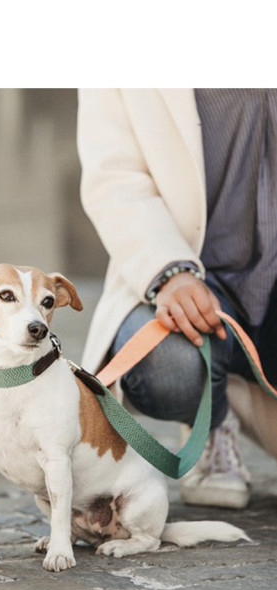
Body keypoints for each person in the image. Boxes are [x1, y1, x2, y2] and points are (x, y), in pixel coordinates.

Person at [77, 88, 277, 509]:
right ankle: (212, 419)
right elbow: (114, 178)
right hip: (186, 271)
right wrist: (170, 271)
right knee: (167, 366)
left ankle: (232, 385)